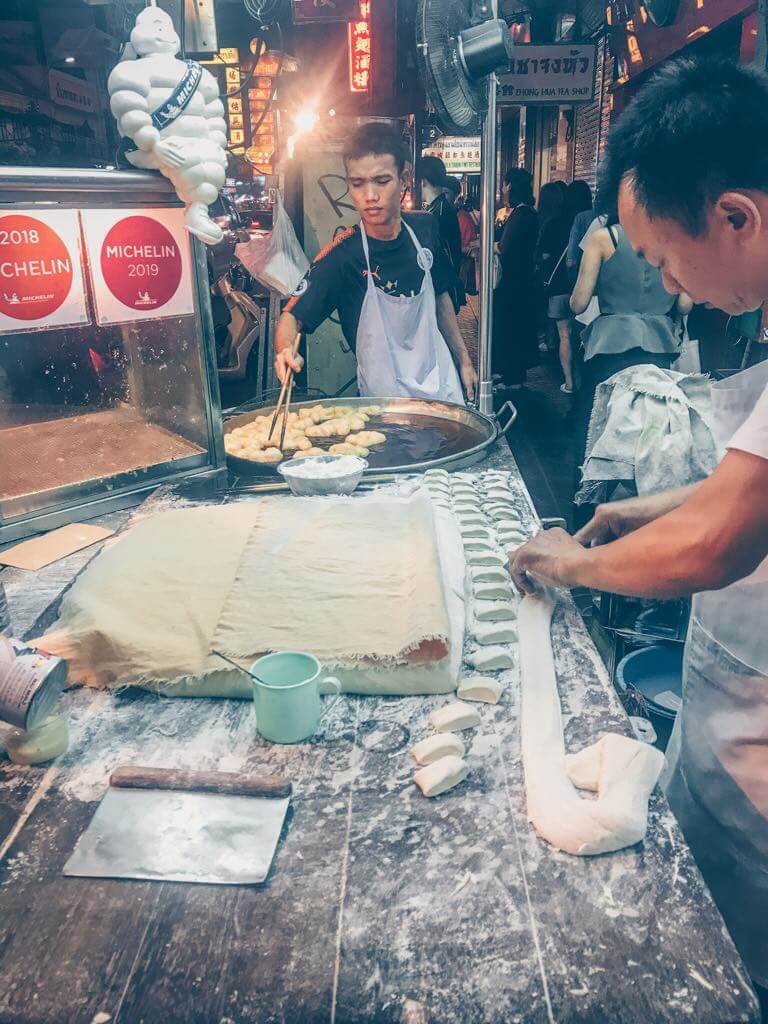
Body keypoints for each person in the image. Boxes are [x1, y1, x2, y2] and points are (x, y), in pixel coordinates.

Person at [509, 57, 768, 1017]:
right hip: (738, 698)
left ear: (735, 217)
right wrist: (639, 511)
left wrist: (576, 563)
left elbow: (723, 544)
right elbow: (745, 488)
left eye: (664, 259)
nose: (668, 285)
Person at [275, 124, 476, 402]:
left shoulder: (425, 231)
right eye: (358, 184)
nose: (370, 196)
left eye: (381, 181)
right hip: (382, 410)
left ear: (404, 177)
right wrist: (285, 350)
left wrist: (464, 360)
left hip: (442, 393)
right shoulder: (343, 255)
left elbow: (441, 297)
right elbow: (292, 315)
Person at [570, 216, 693, 498]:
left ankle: (587, 506)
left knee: (595, 429)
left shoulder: (603, 238)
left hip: (609, 348)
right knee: (650, 434)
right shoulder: (676, 241)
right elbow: (685, 305)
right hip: (658, 349)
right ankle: (641, 508)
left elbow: (578, 304)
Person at [492, 168, 540, 389]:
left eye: (504, 184)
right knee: (516, 328)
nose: (502, 189)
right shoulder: (528, 212)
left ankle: (512, 378)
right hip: (522, 282)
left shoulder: (521, 214)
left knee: (510, 328)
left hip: (513, 284)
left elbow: (505, 247)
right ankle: (511, 374)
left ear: (511, 186)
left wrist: (491, 246)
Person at [537, 182, 577, 393]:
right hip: (579, 285)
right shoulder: (583, 222)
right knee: (577, 335)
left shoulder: (553, 223)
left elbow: (543, 255)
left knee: (565, 335)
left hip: (559, 285)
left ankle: (569, 382)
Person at [419, 155, 464, 312]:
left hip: (441, 293)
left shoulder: (438, 213)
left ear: (423, 180)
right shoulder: (439, 208)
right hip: (442, 289)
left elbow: (445, 256)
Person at [457, 195, 480, 297]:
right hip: (470, 250)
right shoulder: (465, 215)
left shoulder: (459, 217)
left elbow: (460, 245)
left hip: (467, 253)